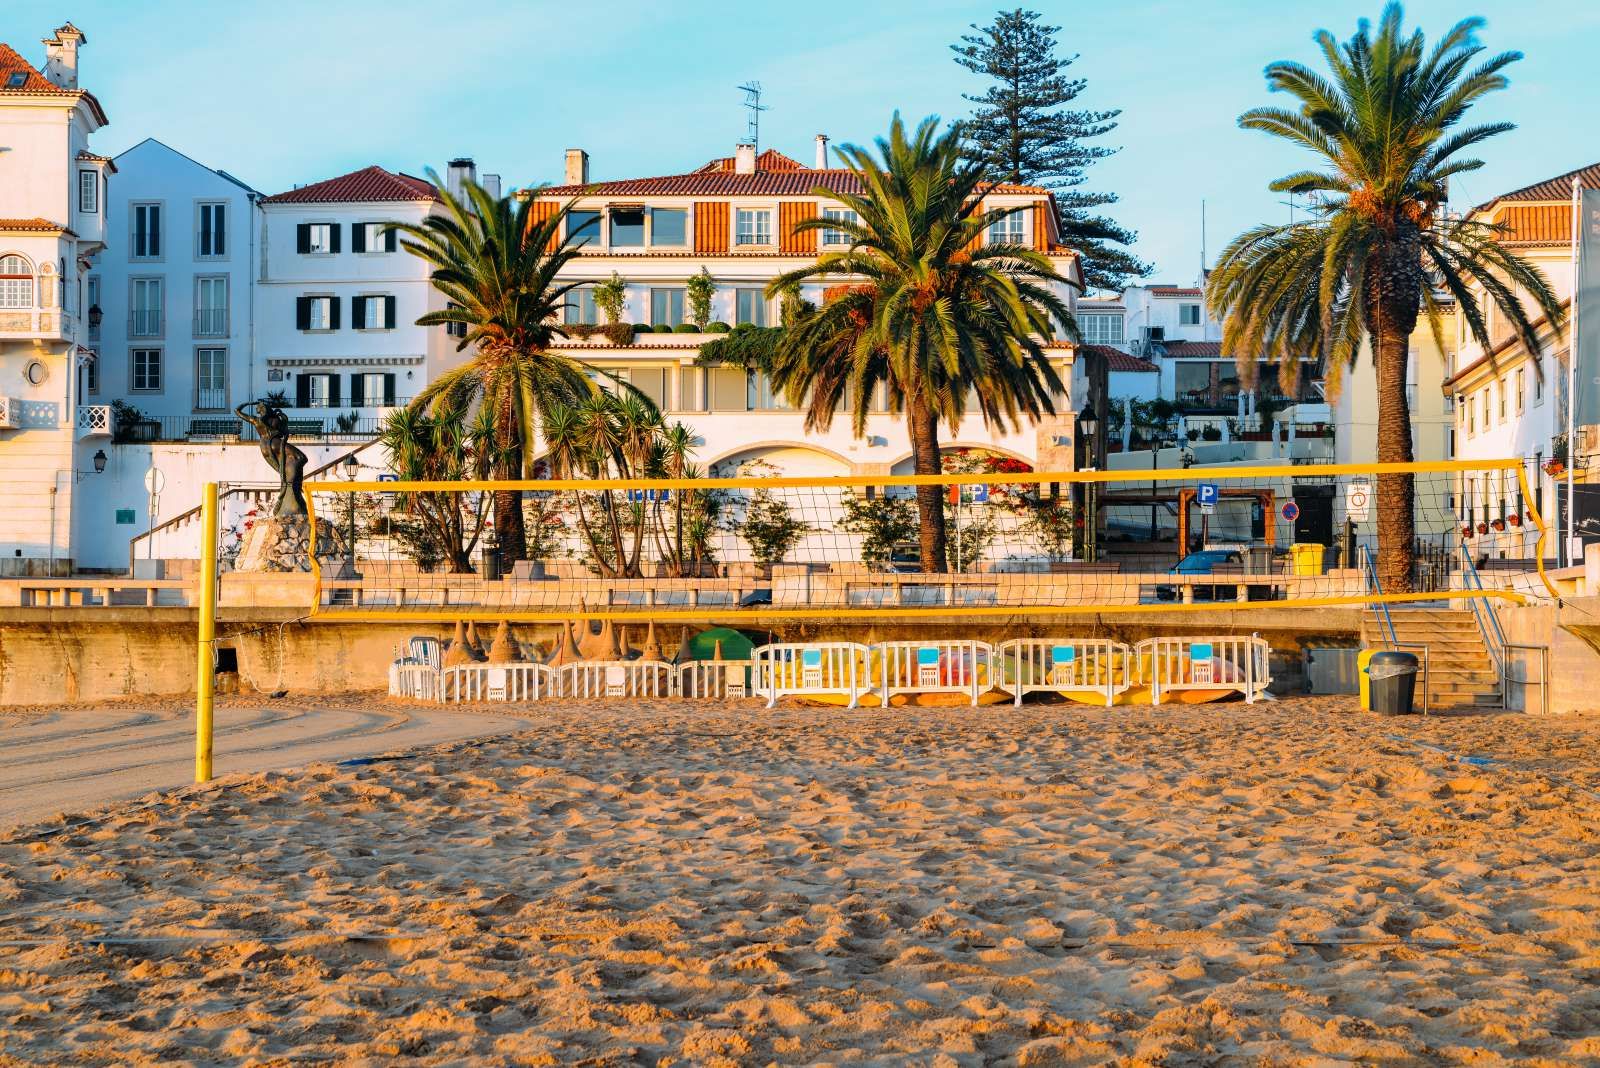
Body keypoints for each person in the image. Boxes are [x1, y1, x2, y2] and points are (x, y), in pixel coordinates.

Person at [236, 399, 308, 516]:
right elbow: (284, 432)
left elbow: (237, 411)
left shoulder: (257, 420)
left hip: (265, 446)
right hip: (274, 444)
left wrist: (248, 403)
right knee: (300, 458)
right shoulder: (273, 420)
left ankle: (290, 488)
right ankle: (290, 487)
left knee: (291, 463)